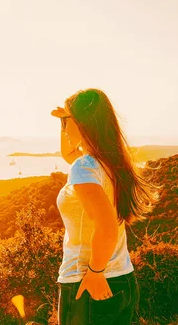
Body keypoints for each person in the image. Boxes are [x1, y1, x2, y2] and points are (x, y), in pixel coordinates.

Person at [50, 88, 159, 325]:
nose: (64, 128)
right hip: (122, 279)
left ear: (81, 123)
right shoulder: (110, 162)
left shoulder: (84, 168)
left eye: (66, 121)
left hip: (87, 283)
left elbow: (107, 228)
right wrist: (64, 120)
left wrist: (95, 273)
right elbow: (69, 154)